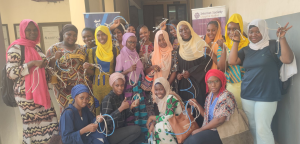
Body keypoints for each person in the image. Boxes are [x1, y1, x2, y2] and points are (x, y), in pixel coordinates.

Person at [228, 19, 294, 144]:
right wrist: (236, 41)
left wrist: (282, 38)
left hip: (267, 94)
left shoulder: (273, 46)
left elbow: (287, 59)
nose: (254, 35)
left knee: (263, 129)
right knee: (252, 126)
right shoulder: (247, 50)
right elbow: (232, 61)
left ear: (264, 31)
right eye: (251, 32)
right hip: (248, 94)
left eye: (257, 31)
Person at [6, 19, 58, 144]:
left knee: (51, 122)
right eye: (28, 30)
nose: (32, 32)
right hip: (26, 95)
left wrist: (52, 61)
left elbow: (43, 69)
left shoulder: (36, 47)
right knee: (32, 126)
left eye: (35, 30)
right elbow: (11, 73)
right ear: (22, 31)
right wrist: (32, 63)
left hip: (41, 92)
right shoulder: (16, 48)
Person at [46, 24, 94, 113]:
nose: (72, 37)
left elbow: (89, 65)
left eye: (75, 35)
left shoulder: (82, 48)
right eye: (69, 34)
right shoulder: (54, 48)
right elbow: (48, 68)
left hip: (82, 85)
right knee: (69, 111)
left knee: (87, 110)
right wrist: (54, 58)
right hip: (63, 87)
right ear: (63, 34)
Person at [184, 69, 236, 144]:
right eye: (210, 82)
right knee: (187, 140)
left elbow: (219, 120)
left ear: (221, 81)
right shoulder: (210, 96)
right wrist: (196, 105)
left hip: (222, 131)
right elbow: (206, 115)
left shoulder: (226, 96)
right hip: (211, 129)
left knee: (193, 141)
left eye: (216, 81)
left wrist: (201, 129)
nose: (213, 85)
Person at [176, 21, 213, 126]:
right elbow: (178, 65)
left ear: (191, 29)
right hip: (184, 84)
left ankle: (201, 133)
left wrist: (191, 72)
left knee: (198, 107)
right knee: (186, 108)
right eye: (181, 30)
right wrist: (179, 74)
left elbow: (208, 61)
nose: (184, 32)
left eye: (186, 28)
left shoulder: (200, 44)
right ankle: (188, 133)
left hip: (197, 82)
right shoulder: (179, 48)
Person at [115, 33, 150, 142]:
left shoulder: (136, 55)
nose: (133, 44)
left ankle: (142, 138)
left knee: (141, 113)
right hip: (128, 90)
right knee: (132, 113)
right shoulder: (120, 56)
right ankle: (133, 139)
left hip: (139, 89)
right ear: (125, 42)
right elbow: (117, 75)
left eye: (135, 42)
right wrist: (129, 70)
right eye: (130, 42)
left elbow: (141, 72)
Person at [84, 25, 119, 115]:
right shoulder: (92, 51)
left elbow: (117, 70)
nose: (101, 37)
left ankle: (112, 128)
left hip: (111, 86)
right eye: (98, 35)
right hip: (97, 87)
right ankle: (100, 128)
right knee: (98, 111)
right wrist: (86, 68)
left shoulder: (115, 50)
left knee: (111, 108)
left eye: (103, 34)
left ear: (108, 35)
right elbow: (92, 71)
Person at [101, 72, 145, 144]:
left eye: (122, 85)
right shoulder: (108, 99)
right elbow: (106, 121)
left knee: (141, 136)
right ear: (112, 85)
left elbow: (123, 116)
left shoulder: (120, 97)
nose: (120, 88)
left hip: (120, 130)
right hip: (111, 134)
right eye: (117, 85)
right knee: (137, 130)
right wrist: (120, 108)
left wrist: (131, 107)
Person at [216, 13, 249, 109]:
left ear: (241, 29)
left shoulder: (248, 44)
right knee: (236, 113)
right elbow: (221, 68)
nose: (231, 32)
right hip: (232, 84)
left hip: (248, 82)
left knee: (248, 114)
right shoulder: (223, 45)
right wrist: (223, 49)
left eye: (235, 29)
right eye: (229, 29)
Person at [146, 77, 183, 144]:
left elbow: (168, 117)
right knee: (154, 128)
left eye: (161, 89)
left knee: (160, 127)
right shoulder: (161, 99)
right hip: (171, 124)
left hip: (179, 124)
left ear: (165, 88)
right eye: (156, 90)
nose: (158, 92)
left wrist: (151, 117)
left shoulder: (171, 97)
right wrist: (154, 123)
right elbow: (162, 115)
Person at [145, 30, 178, 96]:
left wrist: (165, 86)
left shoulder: (173, 53)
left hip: (169, 85)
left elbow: (174, 71)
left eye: (163, 39)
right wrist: (152, 67)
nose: (162, 42)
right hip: (156, 89)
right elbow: (146, 71)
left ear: (167, 38)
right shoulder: (152, 55)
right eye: (159, 40)